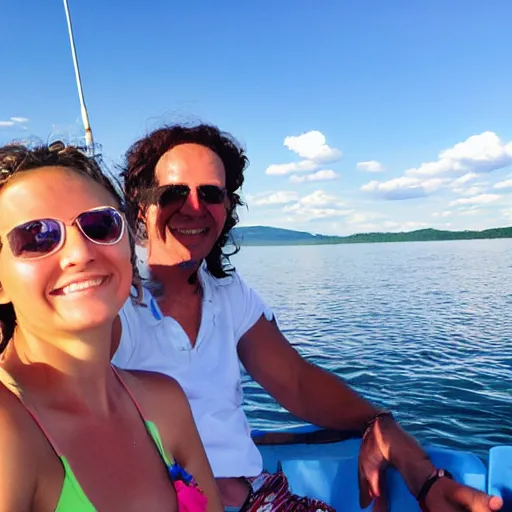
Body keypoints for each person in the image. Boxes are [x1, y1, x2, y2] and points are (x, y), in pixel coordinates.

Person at [112, 123, 503, 512]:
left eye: (211, 193)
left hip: (255, 497)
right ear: (141, 202)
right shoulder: (113, 303)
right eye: (175, 192)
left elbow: (296, 382)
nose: (194, 206)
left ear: (227, 206)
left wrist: (379, 424)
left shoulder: (227, 294)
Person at [0, 141, 223, 512]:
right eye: (36, 237)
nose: (80, 253)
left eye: (100, 225)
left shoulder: (165, 402)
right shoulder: (8, 432)